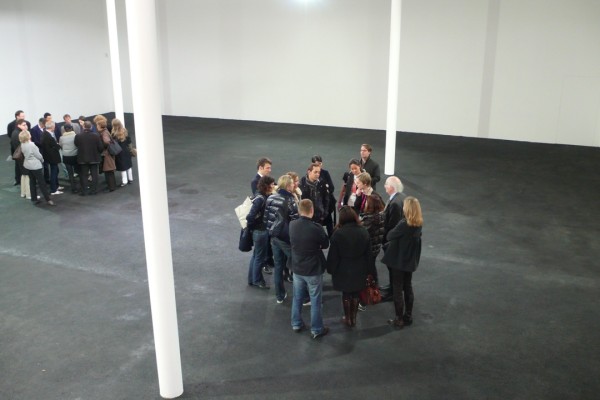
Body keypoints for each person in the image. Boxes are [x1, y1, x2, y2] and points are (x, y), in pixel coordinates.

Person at [289, 199, 330, 339]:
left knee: (297, 297)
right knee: (315, 300)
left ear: (299, 210)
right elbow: (325, 244)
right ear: (312, 210)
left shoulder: (292, 225)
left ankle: (296, 323)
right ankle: (317, 329)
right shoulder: (316, 228)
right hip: (313, 269)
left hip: (297, 268)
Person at [381, 196, 423, 328]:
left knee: (397, 288)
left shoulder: (404, 224)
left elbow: (389, 235)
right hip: (409, 261)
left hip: (399, 261)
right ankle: (408, 316)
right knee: (408, 286)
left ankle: (398, 319)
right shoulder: (418, 224)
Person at [326, 206, 371, 328]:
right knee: (356, 294)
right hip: (360, 269)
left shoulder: (337, 234)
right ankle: (354, 318)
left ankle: (348, 318)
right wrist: (370, 271)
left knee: (346, 294)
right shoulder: (364, 232)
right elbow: (369, 254)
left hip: (343, 270)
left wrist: (331, 269)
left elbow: (333, 256)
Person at [263, 174, 299, 304]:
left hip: (274, 237)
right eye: (292, 183)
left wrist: (271, 232)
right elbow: (296, 221)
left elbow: (266, 218)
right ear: (288, 186)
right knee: (297, 264)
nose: (294, 185)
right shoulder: (290, 200)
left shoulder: (271, 198)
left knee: (278, 267)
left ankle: (279, 295)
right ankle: (302, 295)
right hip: (286, 239)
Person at [246, 175, 276, 289]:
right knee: (259, 257)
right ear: (266, 186)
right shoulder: (261, 199)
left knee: (256, 256)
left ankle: (252, 279)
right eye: (272, 184)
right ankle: (258, 280)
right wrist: (257, 225)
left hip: (259, 231)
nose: (274, 186)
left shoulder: (260, 196)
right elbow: (250, 217)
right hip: (260, 232)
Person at [380, 176, 406, 300]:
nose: (385, 186)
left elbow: (392, 225)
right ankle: (392, 287)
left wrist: (385, 239)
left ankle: (393, 292)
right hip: (396, 240)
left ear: (391, 187)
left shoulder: (395, 203)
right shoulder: (401, 197)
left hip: (392, 242)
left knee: (392, 267)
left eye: (386, 184)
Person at [20, 131, 55, 206]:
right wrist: (42, 160)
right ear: (28, 136)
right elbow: (38, 155)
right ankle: (48, 199)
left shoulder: (22, 144)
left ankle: (34, 198)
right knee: (42, 183)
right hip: (35, 166)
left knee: (32, 182)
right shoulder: (32, 145)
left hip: (27, 165)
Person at [360, 192, 386, 284]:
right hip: (376, 246)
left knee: (369, 268)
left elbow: (362, 232)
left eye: (367, 202)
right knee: (371, 266)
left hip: (369, 248)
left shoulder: (370, 219)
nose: (365, 203)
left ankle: (372, 286)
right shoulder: (381, 215)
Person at [74, 121, 103, 196]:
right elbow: (100, 147)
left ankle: (84, 191)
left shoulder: (78, 136)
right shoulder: (96, 135)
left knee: (84, 175)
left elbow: (76, 144)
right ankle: (94, 190)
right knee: (94, 175)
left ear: (83, 127)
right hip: (94, 158)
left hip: (83, 159)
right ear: (91, 127)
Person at [311, 155, 336, 236]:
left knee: (329, 222)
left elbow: (331, 187)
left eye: (320, 163)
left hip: (325, 203)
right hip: (316, 205)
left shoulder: (325, 173)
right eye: (317, 163)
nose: (319, 165)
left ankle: (332, 238)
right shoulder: (310, 174)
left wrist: (324, 192)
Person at [7, 110, 31, 185]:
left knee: (25, 164)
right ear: (17, 116)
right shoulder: (11, 125)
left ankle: (26, 179)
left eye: (24, 116)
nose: (24, 117)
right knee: (17, 164)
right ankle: (18, 179)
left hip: (24, 145)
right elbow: (10, 135)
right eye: (22, 116)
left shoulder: (27, 123)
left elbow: (28, 133)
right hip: (15, 147)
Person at [40, 122, 63, 195]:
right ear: (52, 127)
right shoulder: (49, 136)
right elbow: (56, 146)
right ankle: (53, 189)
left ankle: (56, 186)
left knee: (55, 171)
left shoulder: (44, 133)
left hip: (48, 156)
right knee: (54, 172)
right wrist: (58, 145)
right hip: (52, 157)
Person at [111, 118, 134, 186]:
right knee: (128, 165)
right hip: (126, 150)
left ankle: (124, 181)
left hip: (119, 152)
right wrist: (131, 149)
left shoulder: (114, 134)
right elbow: (129, 141)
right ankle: (130, 179)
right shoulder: (125, 131)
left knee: (122, 167)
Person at [11, 119, 30, 198]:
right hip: (23, 157)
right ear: (18, 125)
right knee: (27, 176)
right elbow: (24, 146)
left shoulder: (14, 132)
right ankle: (29, 194)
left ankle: (23, 192)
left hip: (19, 157)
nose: (26, 126)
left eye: (26, 124)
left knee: (24, 175)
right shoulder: (20, 134)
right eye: (24, 125)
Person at [59, 124, 79, 193]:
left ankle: (73, 189)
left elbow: (61, 145)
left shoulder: (61, 138)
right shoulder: (76, 136)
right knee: (79, 171)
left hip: (66, 156)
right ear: (72, 128)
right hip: (75, 155)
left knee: (70, 173)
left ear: (65, 130)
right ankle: (82, 186)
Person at [97, 119, 117, 192]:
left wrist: (102, 146)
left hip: (107, 154)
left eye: (97, 125)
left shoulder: (104, 133)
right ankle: (112, 186)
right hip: (108, 153)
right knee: (109, 171)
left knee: (109, 171)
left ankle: (112, 187)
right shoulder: (105, 131)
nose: (97, 126)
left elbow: (106, 142)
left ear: (100, 126)